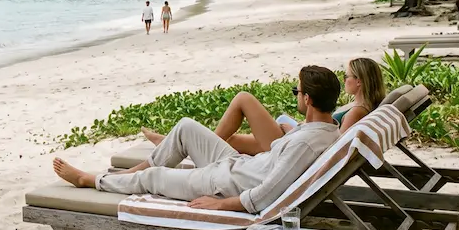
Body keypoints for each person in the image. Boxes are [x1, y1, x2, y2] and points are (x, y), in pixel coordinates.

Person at [53, 66, 341, 212]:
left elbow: (265, 195)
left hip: (224, 185)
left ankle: (90, 180)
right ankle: (131, 171)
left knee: (153, 177)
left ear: (308, 99)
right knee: (186, 126)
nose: (295, 95)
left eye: (297, 91)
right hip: (236, 166)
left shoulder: (306, 143)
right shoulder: (326, 131)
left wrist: (221, 204)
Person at [141, 57, 387, 156]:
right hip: (296, 140)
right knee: (233, 141)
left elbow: (333, 147)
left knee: (243, 99)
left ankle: (176, 143)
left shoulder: (356, 112)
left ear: (359, 82)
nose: (344, 80)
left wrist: (292, 131)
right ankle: (178, 143)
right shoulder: (358, 106)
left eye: (347, 77)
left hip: (292, 147)